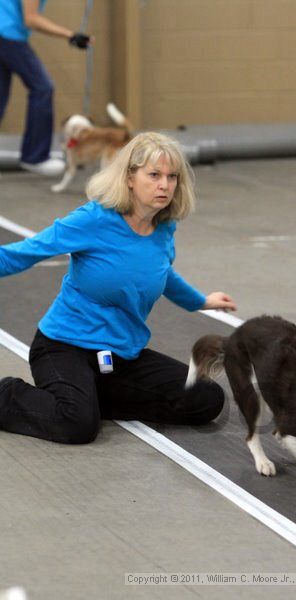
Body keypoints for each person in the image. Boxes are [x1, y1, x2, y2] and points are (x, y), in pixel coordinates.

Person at [0, 132, 237, 444]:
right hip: (64, 347)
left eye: (172, 177)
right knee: (77, 425)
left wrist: (201, 301)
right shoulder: (94, 219)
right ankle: (8, 395)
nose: (164, 185)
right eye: (153, 175)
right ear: (129, 178)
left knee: (207, 399)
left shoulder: (164, 229)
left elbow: (164, 275)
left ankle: (88, 398)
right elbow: (24, 253)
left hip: (121, 355)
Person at [0, 0, 91, 177]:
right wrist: (70, 35)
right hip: (6, 35)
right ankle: (34, 157)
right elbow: (31, 19)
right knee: (42, 87)